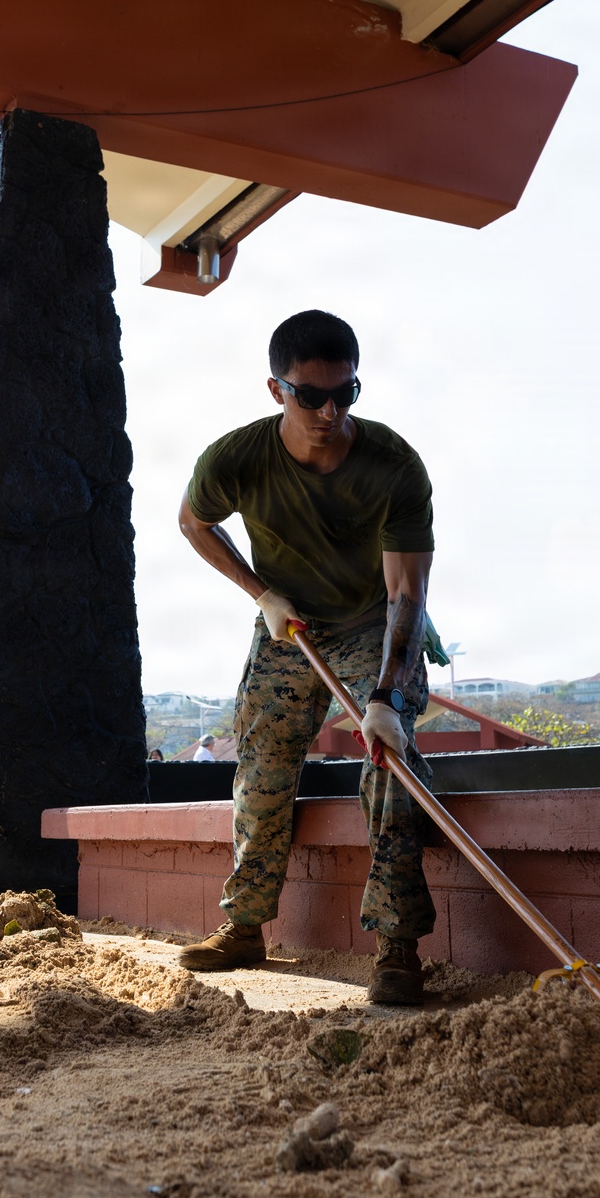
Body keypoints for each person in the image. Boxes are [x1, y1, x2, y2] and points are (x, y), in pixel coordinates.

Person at [176, 308, 442, 1005]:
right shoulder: (237, 459)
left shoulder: (393, 466)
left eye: (346, 393)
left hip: (370, 625)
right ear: (276, 390)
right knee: (261, 762)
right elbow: (193, 523)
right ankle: (244, 927)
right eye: (310, 395)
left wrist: (384, 697)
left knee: (391, 757)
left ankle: (397, 944)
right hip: (289, 625)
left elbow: (407, 593)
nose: (329, 411)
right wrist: (261, 592)